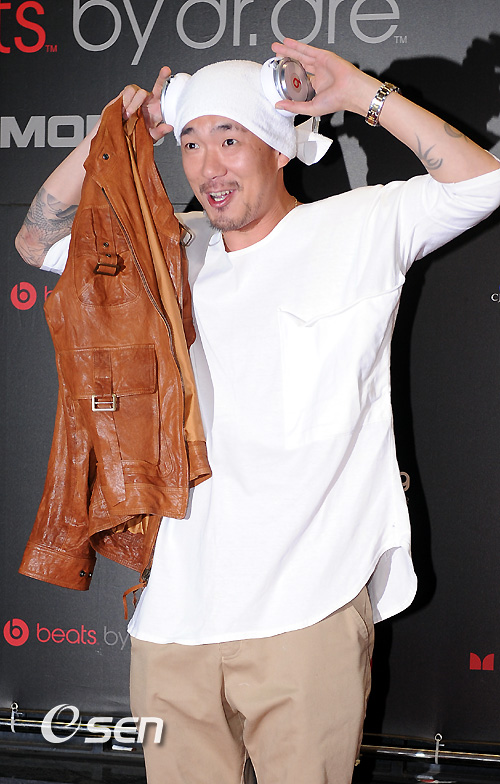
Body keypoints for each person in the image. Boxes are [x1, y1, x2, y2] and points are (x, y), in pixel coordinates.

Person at [15, 38, 500, 784]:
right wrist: (118, 135)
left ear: (278, 147)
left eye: (230, 138)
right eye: (191, 142)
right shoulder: (168, 250)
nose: (208, 165)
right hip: (172, 627)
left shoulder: (358, 228)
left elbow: (482, 184)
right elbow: (36, 240)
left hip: (306, 615)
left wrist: (360, 94)